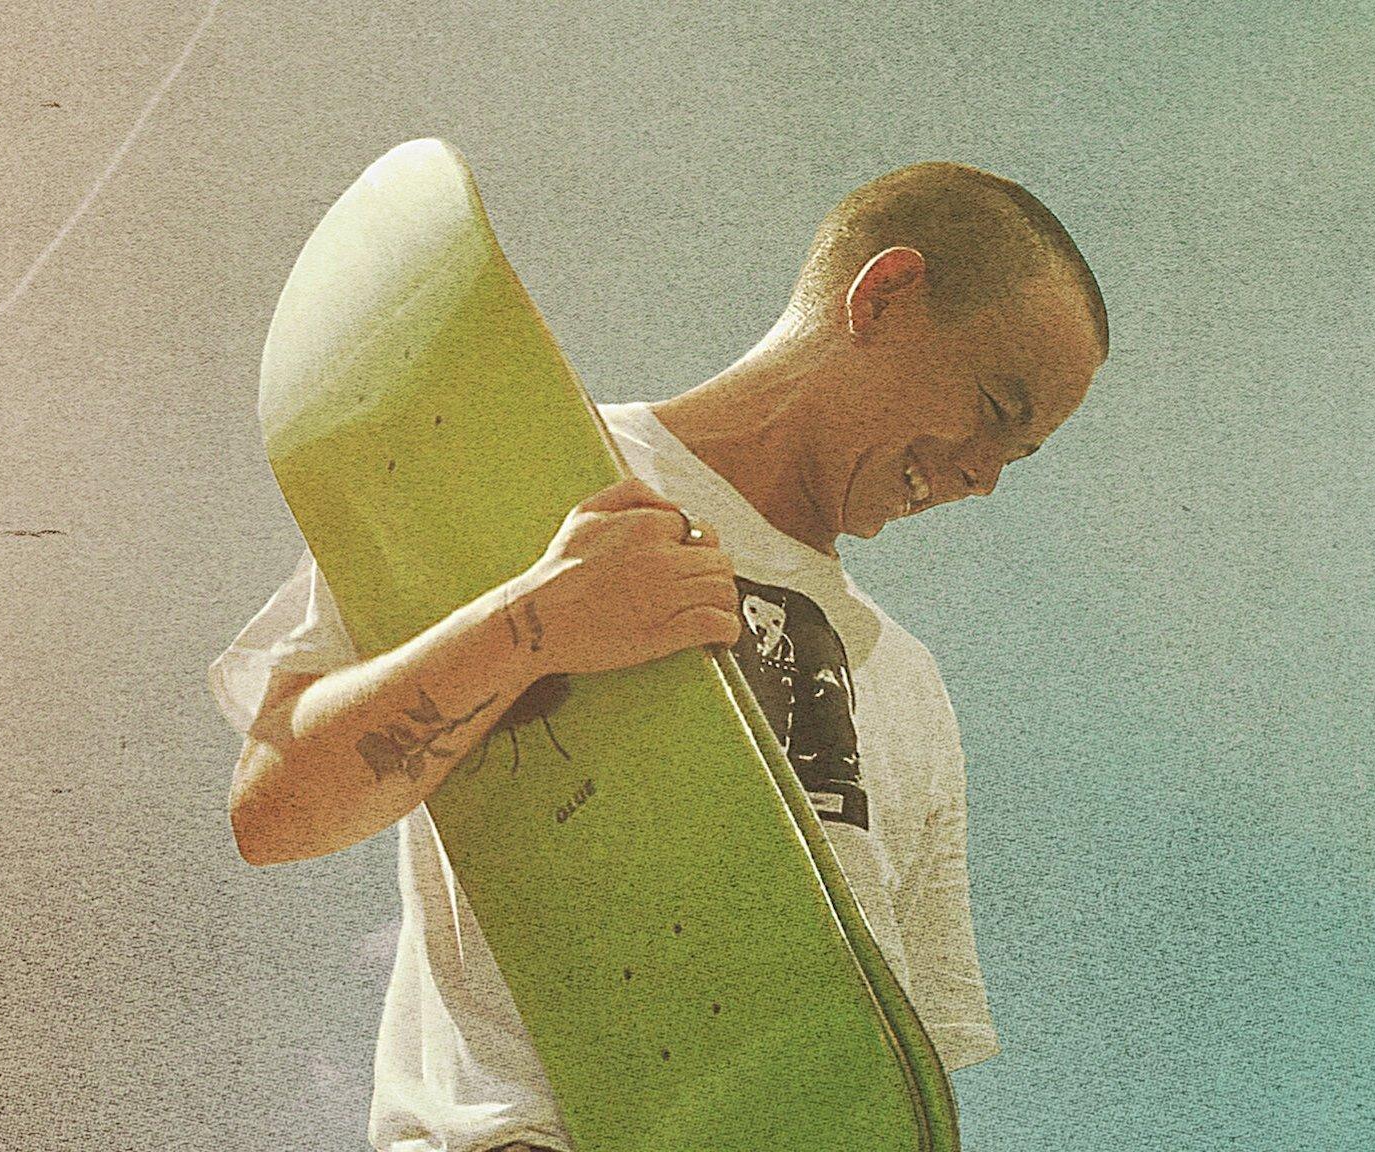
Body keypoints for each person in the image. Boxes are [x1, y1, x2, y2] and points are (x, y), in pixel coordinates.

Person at [208, 159, 1108, 1152]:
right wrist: (533, 623)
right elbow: (274, 808)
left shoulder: (906, 684)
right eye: (996, 409)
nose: (982, 477)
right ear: (885, 294)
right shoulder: (528, 468)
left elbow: (898, 1084)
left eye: (1016, 457)